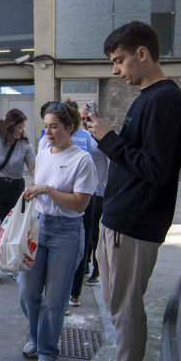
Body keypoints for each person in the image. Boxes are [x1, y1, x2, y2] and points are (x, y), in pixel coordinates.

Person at [75, 21, 181, 361]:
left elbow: (155, 169)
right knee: (117, 305)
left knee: (125, 308)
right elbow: (136, 156)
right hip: (120, 218)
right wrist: (105, 136)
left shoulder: (164, 100)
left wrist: (107, 138)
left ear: (142, 53)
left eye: (119, 60)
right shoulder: (148, 97)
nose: (115, 70)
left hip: (135, 223)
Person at [19, 101, 97, 361]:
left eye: (54, 126)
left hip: (67, 232)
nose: (48, 132)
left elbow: (79, 204)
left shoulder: (82, 159)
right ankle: (36, 336)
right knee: (27, 290)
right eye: (46, 126)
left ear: (70, 128)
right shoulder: (43, 151)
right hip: (40, 226)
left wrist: (47, 190)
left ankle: (47, 351)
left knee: (54, 299)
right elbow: (41, 188)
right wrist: (34, 192)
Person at [0, 108, 36, 283]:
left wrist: (38, 182)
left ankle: (10, 265)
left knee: (12, 228)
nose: (22, 131)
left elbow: (33, 168)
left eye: (24, 128)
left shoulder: (25, 145)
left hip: (15, 188)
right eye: (20, 127)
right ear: (10, 126)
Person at [78, 103, 108, 289]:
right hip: (82, 190)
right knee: (84, 230)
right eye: (81, 118)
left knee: (94, 232)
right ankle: (86, 265)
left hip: (99, 190)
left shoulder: (102, 135)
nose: (84, 122)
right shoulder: (79, 136)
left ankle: (97, 269)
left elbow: (112, 161)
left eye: (87, 118)